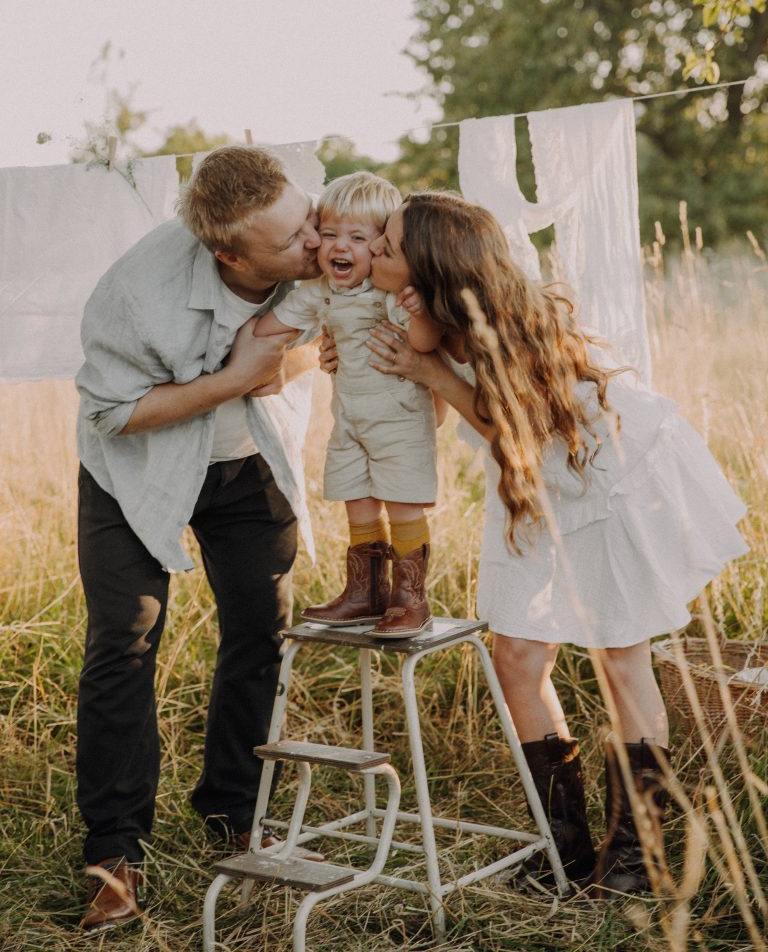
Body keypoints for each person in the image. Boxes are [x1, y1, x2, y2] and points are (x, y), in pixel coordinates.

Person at [362, 190, 747, 895]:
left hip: (604, 478)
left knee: (620, 659)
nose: (374, 252)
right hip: (535, 491)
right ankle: (562, 846)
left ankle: (639, 858)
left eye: (387, 244)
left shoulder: (505, 320)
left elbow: (523, 425)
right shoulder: (417, 307)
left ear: (429, 267)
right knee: (515, 656)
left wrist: (433, 374)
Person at [74, 144, 326, 932]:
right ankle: (114, 853)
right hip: (135, 469)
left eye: (306, 219)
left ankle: (234, 810)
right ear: (229, 254)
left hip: (248, 462)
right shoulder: (132, 295)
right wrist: (234, 377)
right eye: (289, 243)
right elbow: (115, 411)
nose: (313, 244)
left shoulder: (323, 237)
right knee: (127, 638)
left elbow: (347, 324)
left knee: (262, 629)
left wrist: (285, 364)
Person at [252, 171, 444, 638]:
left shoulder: (391, 293)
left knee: (401, 506)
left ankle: (410, 598)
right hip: (351, 421)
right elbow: (271, 326)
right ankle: (365, 594)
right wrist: (248, 345)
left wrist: (418, 313)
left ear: (381, 246)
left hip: (398, 421)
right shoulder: (320, 292)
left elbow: (426, 341)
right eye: (331, 234)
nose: (341, 247)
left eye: (358, 237)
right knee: (357, 502)